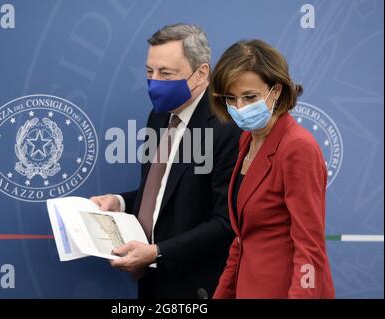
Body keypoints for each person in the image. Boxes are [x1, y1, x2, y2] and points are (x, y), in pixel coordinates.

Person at [90, 24, 241, 298]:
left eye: (166, 74)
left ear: (201, 73)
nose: (154, 82)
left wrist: (157, 252)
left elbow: (225, 222)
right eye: (149, 71)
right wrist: (120, 202)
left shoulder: (227, 127)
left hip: (198, 287)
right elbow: (161, 190)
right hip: (151, 283)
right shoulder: (159, 116)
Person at [209, 39, 335, 299]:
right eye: (231, 99)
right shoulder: (248, 138)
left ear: (276, 91)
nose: (239, 108)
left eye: (250, 97)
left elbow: (310, 250)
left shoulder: (297, 148)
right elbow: (243, 238)